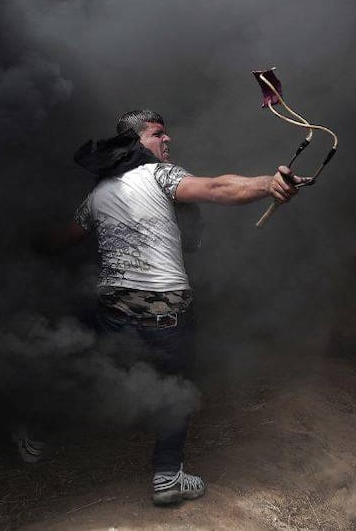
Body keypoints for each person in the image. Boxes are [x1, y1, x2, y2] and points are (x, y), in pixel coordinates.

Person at [47, 109, 303, 505]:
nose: (167, 141)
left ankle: (36, 424)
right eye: (157, 134)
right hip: (164, 317)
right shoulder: (159, 175)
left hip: (114, 314)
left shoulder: (96, 195)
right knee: (175, 390)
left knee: (93, 372)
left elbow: (65, 238)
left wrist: (24, 244)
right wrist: (268, 183)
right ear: (135, 142)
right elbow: (218, 188)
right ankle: (167, 476)